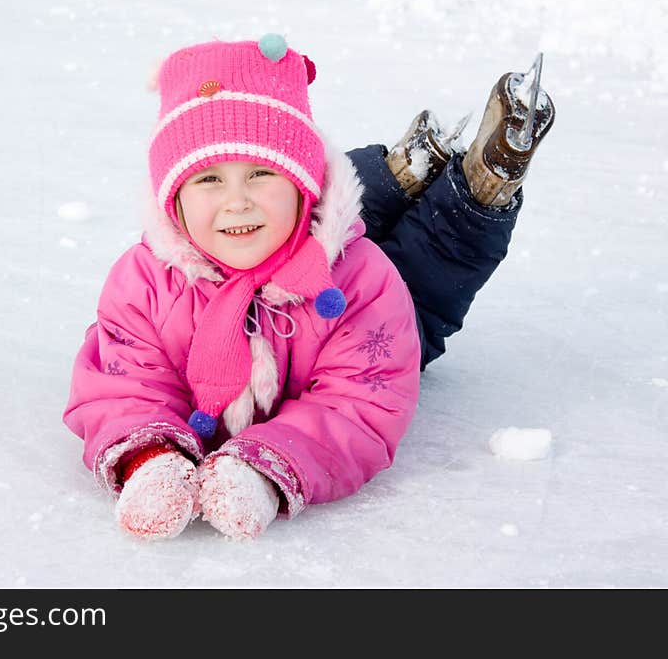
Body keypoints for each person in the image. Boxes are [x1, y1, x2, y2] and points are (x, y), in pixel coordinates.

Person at [62, 34, 554, 541]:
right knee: (284, 221)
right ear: (174, 198)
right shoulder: (146, 281)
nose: (236, 201)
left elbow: (356, 405)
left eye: (261, 173)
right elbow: (122, 383)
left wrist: (267, 465)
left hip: (356, 307)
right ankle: (401, 172)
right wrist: (151, 457)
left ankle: (480, 189)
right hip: (305, 258)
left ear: (304, 183)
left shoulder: (367, 283)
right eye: (208, 180)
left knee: (432, 268)